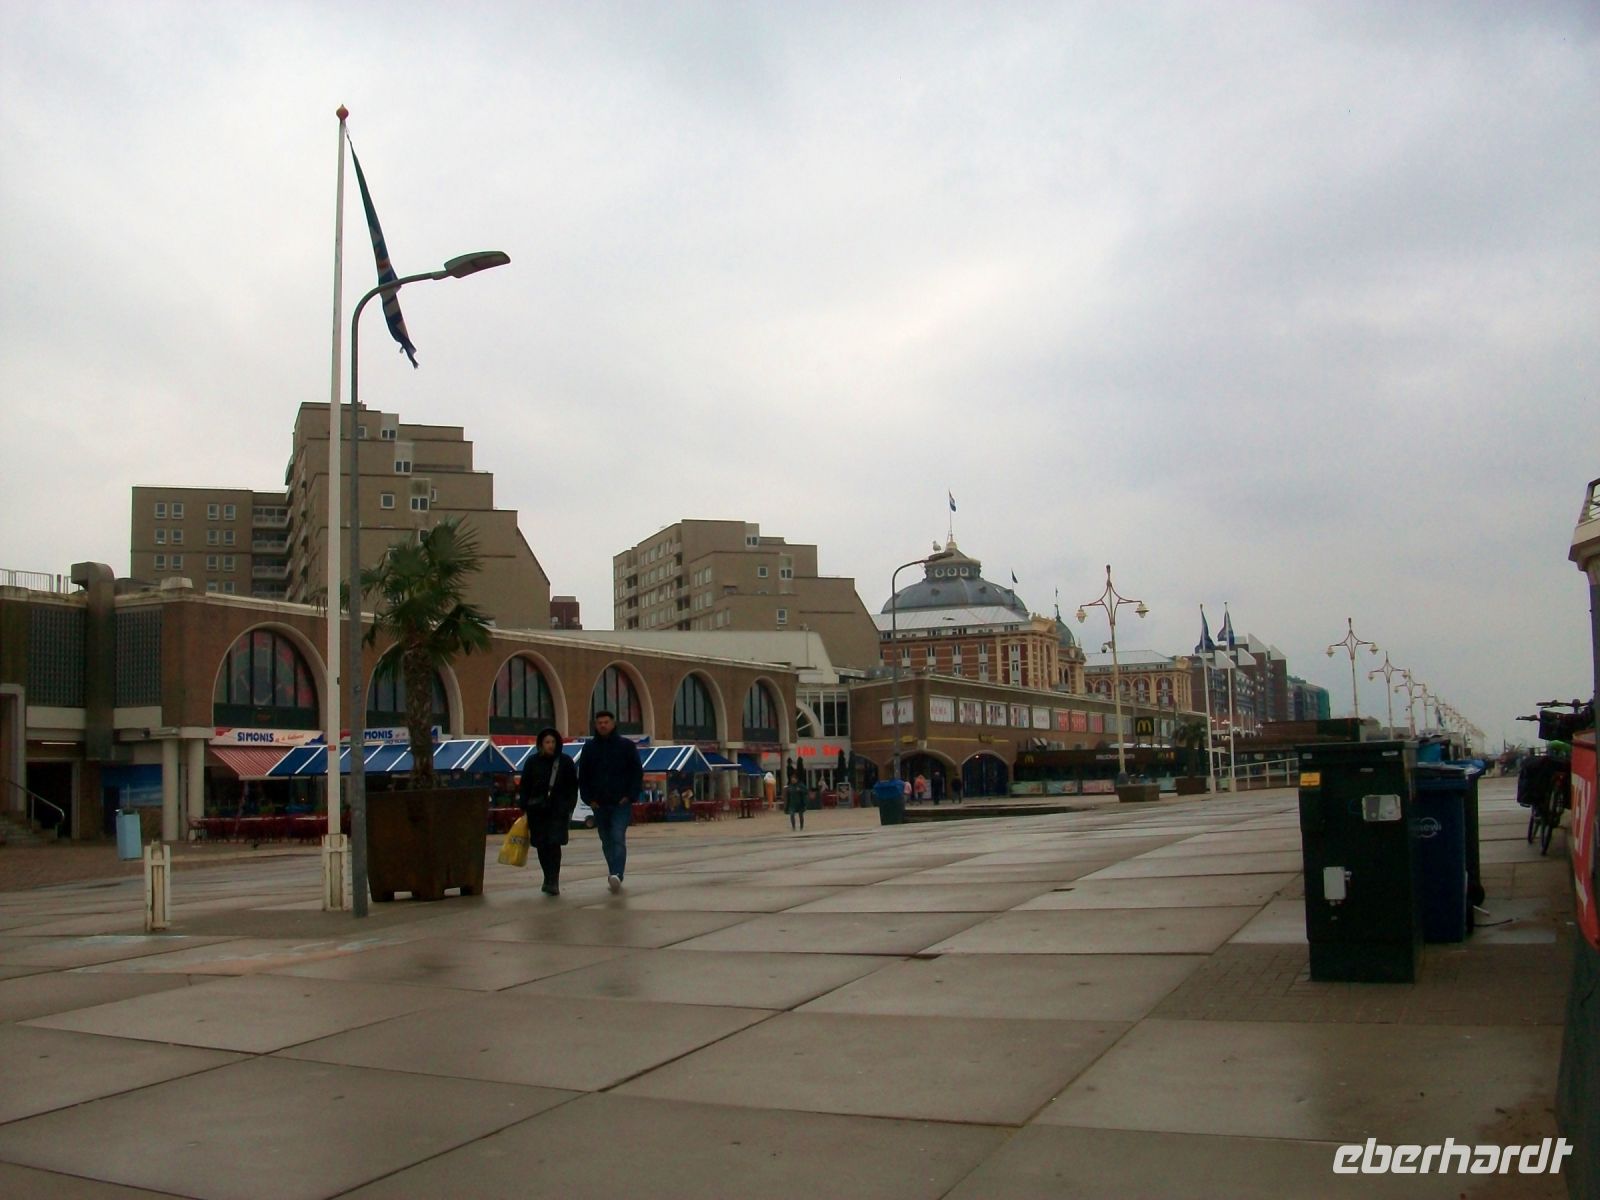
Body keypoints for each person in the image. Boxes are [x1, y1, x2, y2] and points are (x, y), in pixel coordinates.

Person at [577, 709, 642, 893]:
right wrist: (588, 799)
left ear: (613, 724)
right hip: (599, 804)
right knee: (606, 840)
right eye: (600, 723)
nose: (603, 725)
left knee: (617, 836)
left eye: (606, 722)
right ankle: (613, 871)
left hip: (621, 803)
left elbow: (636, 772)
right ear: (595, 725)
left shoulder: (626, 746)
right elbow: (583, 776)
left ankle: (617, 874)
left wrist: (630, 796)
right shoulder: (589, 748)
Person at [518, 726, 579, 896]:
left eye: (553, 742)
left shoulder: (565, 762)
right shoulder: (532, 762)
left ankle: (553, 880)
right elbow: (525, 785)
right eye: (547, 742)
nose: (550, 745)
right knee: (542, 845)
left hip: (557, 811)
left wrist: (569, 806)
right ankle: (547, 877)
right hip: (537, 811)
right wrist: (524, 806)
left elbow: (572, 786)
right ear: (541, 744)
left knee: (554, 844)